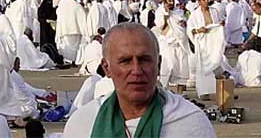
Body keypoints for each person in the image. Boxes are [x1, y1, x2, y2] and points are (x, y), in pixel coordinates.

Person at [62, 23, 215, 138]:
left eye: (144, 60)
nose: (136, 70)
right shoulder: (83, 123)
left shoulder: (190, 123)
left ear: (158, 64)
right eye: (125, 61)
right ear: (107, 68)